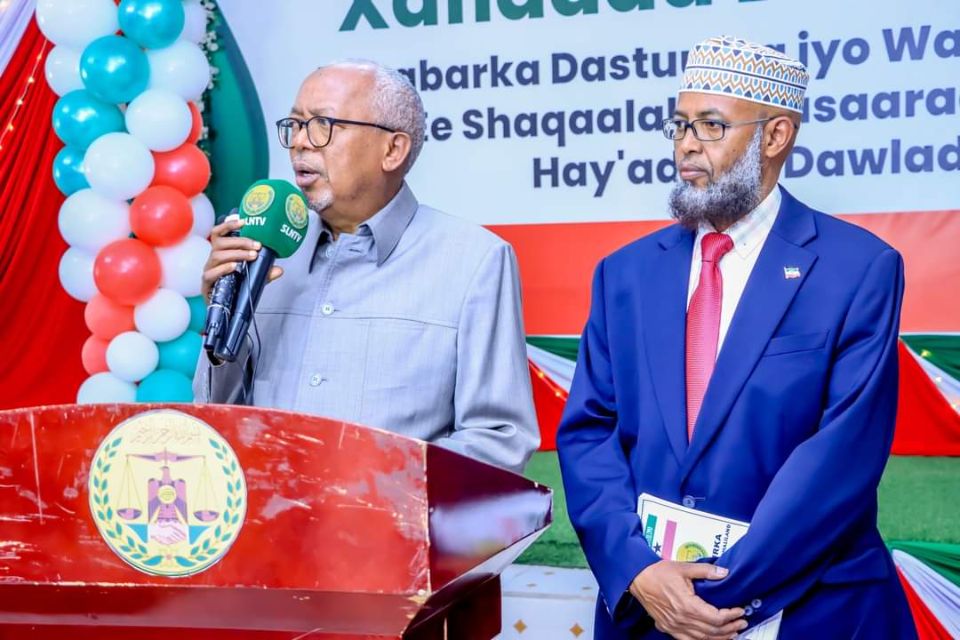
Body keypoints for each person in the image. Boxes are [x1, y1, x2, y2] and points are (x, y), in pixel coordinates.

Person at [557, 36, 916, 639]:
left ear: (775, 136)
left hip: (807, 609)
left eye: (711, 126)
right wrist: (640, 573)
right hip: (650, 609)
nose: (686, 145)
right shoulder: (625, 274)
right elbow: (590, 433)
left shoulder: (858, 270)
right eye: (679, 126)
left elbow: (840, 459)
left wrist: (713, 598)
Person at [193, 60, 539, 474]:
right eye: (296, 124)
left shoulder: (474, 260)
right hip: (267, 509)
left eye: (322, 125)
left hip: (392, 514)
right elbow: (216, 418)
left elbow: (499, 439)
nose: (299, 142)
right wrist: (223, 319)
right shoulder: (264, 252)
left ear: (392, 150)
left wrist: (374, 486)